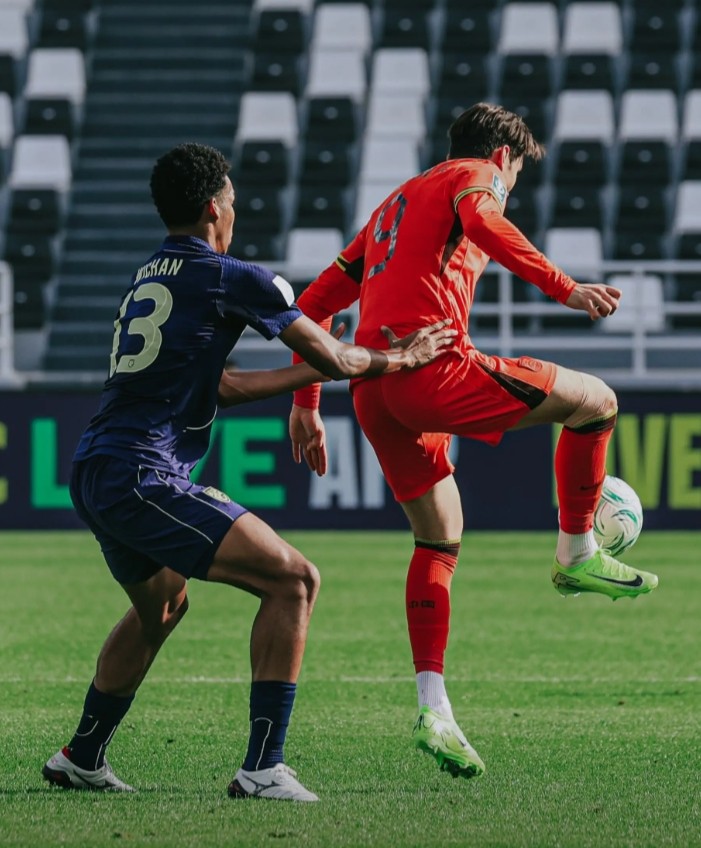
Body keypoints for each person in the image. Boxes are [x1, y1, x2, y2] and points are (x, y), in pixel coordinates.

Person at [41, 142, 457, 802]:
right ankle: (263, 767)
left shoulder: (150, 275)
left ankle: (80, 757)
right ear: (214, 208)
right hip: (143, 473)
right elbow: (341, 359)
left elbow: (221, 386)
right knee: (293, 580)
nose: (235, 212)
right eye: (232, 201)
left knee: (163, 606)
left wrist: (308, 382)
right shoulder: (233, 277)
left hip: (98, 468)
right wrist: (401, 358)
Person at [288, 103, 659, 780]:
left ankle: (434, 707)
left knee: (438, 539)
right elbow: (487, 221)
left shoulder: (394, 204)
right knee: (598, 402)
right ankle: (577, 551)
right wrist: (565, 289)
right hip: (432, 369)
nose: (507, 187)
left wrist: (306, 403)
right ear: (501, 156)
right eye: (514, 174)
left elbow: (312, 305)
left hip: (372, 388)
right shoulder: (474, 176)